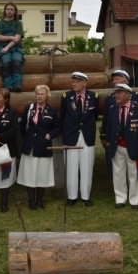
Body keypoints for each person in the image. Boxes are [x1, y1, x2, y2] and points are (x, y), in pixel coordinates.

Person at [103, 83, 138, 209]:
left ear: (128, 94)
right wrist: (108, 143)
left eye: (119, 93)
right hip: (117, 146)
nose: (116, 95)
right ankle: (120, 199)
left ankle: (135, 200)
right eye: (116, 93)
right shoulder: (112, 109)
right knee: (118, 173)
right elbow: (108, 127)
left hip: (133, 146)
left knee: (134, 174)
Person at [18, 85, 61, 210]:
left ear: (47, 96)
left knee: (42, 175)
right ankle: (31, 201)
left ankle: (39, 200)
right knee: (29, 174)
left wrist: (49, 135)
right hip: (30, 146)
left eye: (42, 94)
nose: (39, 96)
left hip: (43, 147)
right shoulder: (29, 108)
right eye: (38, 94)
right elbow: (23, 126)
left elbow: (57, 127)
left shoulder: (52, 111)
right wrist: (28, 138)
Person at [60, 72, 100, 207]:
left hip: (87, 135)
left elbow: (94, 116)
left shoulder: (94, 96)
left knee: (87, 165)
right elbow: (63, 116)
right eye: (73, 82)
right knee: (71, 166)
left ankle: (85, 196)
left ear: (84, 83)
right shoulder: (66, 96)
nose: (74, 84)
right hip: (71, 135)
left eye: (77, 81)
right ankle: (72, 196)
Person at [100, 69, 138, 178]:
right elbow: (106, 119)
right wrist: (104, 136)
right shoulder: (110, 98)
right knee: (115, 163)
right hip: (115, 138)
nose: (114, 81)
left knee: (132, 165)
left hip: (132, 137)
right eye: (113, 79)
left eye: (117, 79)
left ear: (126, 81)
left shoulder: (136, 97)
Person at [0, 2, 24, 92]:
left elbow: (17, 38)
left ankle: (17, 84)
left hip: (15, 49)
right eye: (7, 9)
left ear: (15, 11)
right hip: (2, 49)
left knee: (16, 62)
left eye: (11, 9)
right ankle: (8, 86)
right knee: (6, 63)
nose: (9, 11)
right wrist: (11, 37)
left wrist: (7, 47)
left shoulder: (18, 23)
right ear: (5, 11)